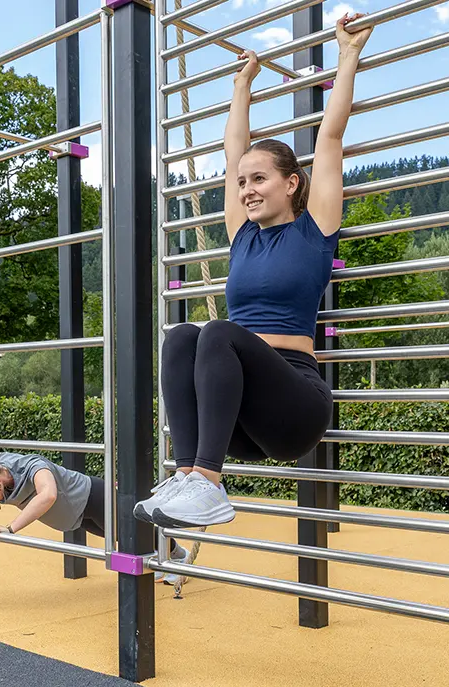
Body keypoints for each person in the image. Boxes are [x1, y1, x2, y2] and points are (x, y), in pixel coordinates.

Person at [135, 13, 374, 529]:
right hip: (244, 419)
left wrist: (348, 55)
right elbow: (231, 151)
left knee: (218, 332)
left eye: (259, 179)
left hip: (295, 405)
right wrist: (242, 86)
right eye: (243, 182)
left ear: (291, 184)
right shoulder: (242, 235)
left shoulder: (315, 230)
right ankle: (190, 476)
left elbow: (330, 138)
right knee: (179, 337)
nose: (246, 188)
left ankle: (208, 486)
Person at [0, 451, 197, 584]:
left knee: (127, 537)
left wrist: (9, 528)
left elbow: (48, 495)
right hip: (73, 515)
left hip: (92, 496)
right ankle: (173, 554)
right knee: (116, 539)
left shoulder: (31, 467)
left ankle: (176, 555)